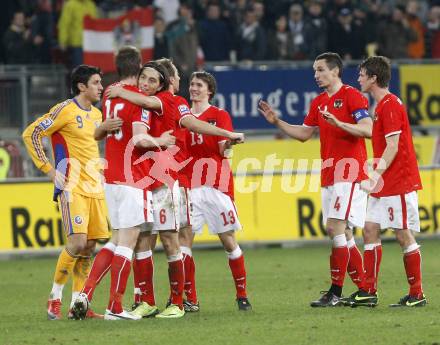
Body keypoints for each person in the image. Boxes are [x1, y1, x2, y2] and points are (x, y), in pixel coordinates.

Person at [105, 59, 246, 315]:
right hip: (145, 180)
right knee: (143, 241)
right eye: (180, 77)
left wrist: (225, 135)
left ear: (162, 82)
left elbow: (191, 123)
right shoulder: (144, 106)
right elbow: (139, 133)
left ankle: (179, 303)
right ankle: (146, 301)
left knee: (172, 240)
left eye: (151, 80)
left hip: (169, 180)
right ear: (171, 80)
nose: (182, 82)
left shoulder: (172, 102)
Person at [258, 52, 374, 307]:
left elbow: (367, 129)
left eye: (320, 70)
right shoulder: (319, 102)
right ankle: (366, 289)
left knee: (335, 228)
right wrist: (277, 121)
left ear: (335, 71)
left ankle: (335, 292)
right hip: (330, 173)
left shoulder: (352, 96)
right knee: (343, 233)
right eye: (314, 70)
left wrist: (340, 123)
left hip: (349, 171)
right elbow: (304, 134)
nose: (316, 75)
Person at [71, 47, 175, 320]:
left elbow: (100, 131)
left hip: (112, 177)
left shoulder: (110, 93)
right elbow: (140, 139)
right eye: (145, 76)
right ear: (139, 67)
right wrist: (161, 141)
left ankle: (85, 293)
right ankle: (114, 307)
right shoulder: (141, 101)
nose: (146, 83)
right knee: (127, 243)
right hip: (133, 178)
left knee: (115, 240)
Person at [22, 65, 110, 320]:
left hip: (94, 186)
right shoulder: (65, 110)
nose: (100, 87)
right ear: (82, 86)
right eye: (95, 82)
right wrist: (49, 170)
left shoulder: (96, 114)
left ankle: (77, 305)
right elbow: (31, 133)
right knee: (78, 242)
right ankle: (54, 298)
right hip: (72, 185)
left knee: (90, 246)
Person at [352, 56, 426, 307]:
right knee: (370, 229)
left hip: (398, 181)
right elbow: (386, 146)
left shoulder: (390, 104)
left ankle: (417, 294)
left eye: (362, 74)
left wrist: (374, 175)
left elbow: (393, 147)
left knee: (403, 234)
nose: (358, 78)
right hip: (384, 183)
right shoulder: (380, 106)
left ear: (373, 78)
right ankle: (368, 291)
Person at [184, 71, 252, 311]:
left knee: (228, 241)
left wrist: (230, 143)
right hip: (189, 187)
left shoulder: (219, 115)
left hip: (216, 186)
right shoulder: (183, 115)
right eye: (192, 84)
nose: (193, 88)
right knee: (184, 242)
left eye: (199, 85)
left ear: (209, 90)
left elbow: (224, 148)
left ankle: (242, 295)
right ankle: (190, 299)